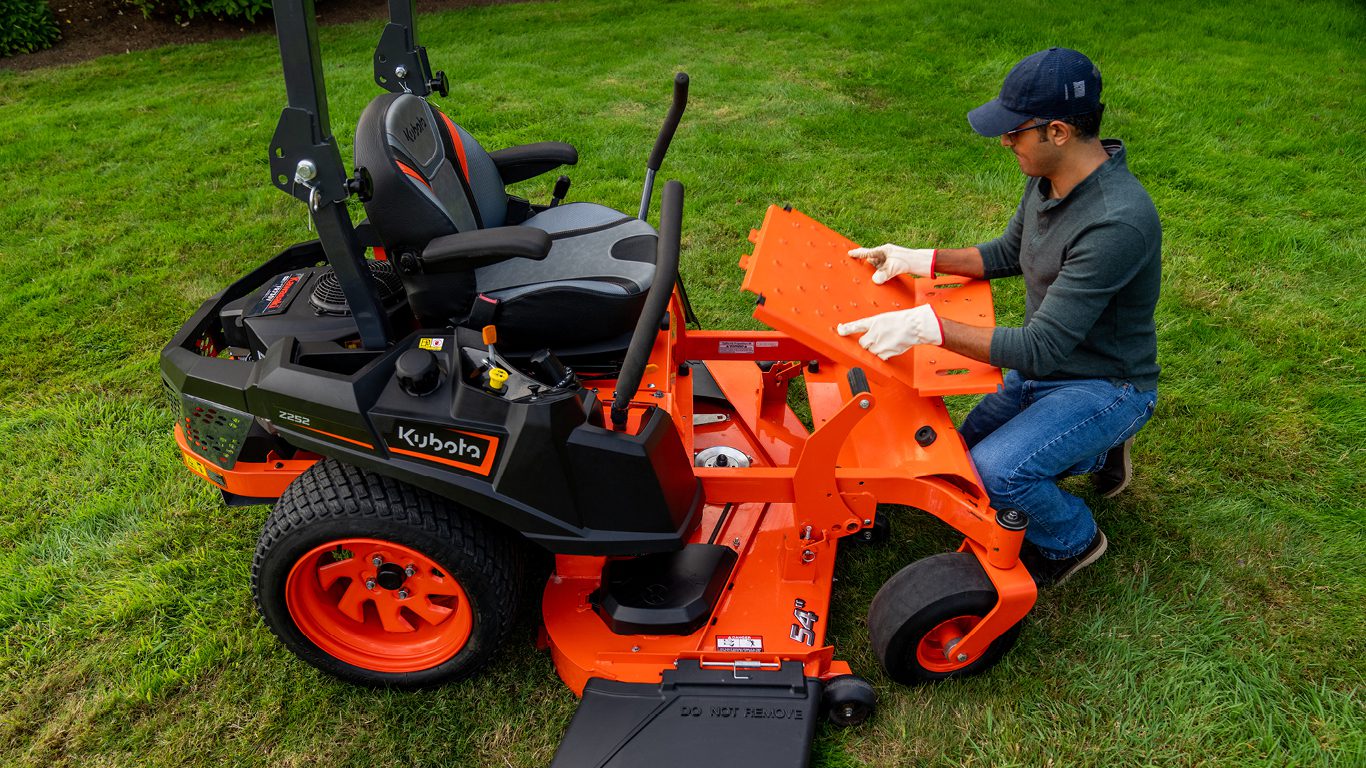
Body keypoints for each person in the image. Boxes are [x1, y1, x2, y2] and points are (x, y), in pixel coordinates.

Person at [836, 47, 1160, 588]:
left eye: (1015, 131)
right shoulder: (1050, 178)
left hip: (1106, 383)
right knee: (960, 454)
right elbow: (1009, 252)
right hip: (1050, 372)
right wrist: (917, 259)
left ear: (1057, 131)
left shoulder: (1115, 223)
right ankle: (1096, 449)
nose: (1005, 141)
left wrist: (926, 327)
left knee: (998, 473)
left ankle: (1075, 540)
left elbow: (1040, 349)